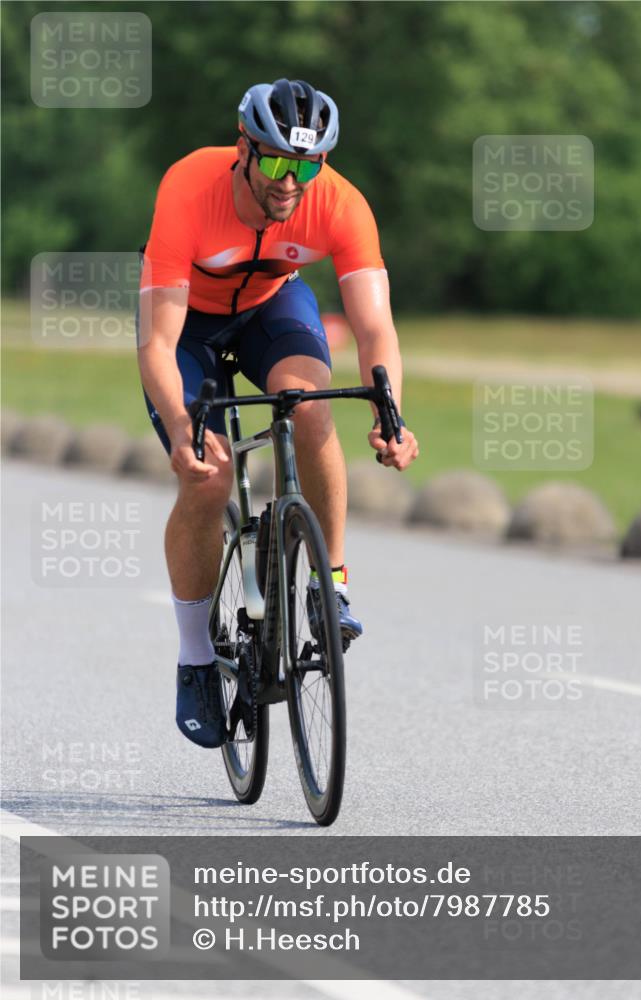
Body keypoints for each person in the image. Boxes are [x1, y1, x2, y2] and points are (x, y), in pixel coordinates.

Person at [137, 78, 419, 749]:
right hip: (189, 329)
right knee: (207, 475)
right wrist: (181, 427)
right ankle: (196, 659)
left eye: (307, 165)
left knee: (314, 411)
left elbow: (375, 329)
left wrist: (391, 411)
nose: (290, 182)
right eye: (275, 163)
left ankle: (333, 584)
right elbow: (156, 341)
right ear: (244, 148)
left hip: (271, 308)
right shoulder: (189, 188)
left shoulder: (340, 204)